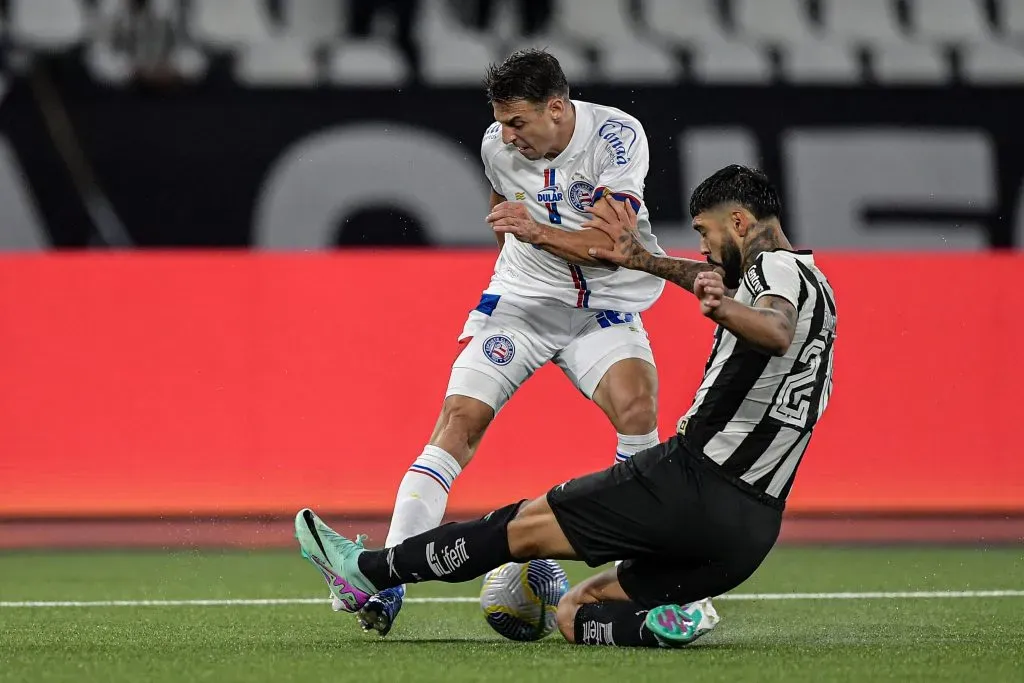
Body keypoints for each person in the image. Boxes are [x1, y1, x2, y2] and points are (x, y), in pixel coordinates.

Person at [296, 165, 838, 648]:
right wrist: (644, 261)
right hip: (750, 531)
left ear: (740, 222)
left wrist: (720, 309)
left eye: (705, 233)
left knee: (519, 527)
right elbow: (724, 288)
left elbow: (773, 328)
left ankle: (369, 572)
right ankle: (655, 625)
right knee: (575, 612)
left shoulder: (775, 272)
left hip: (691, 481)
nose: (702, 249)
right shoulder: (820, 288)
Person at [350, 48, 721, 636]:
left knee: (637, 411)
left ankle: (640, 584)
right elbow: (504, 210)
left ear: (556, 107)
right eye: (500, 121)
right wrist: (521, 259)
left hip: (605, 306)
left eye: (518, 121)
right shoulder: (496, 146)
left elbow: (612, 247)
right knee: (457, 424)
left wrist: (537, 232)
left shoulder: (616, 136)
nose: (507, 135)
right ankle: (385, 579)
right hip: (521, 306)